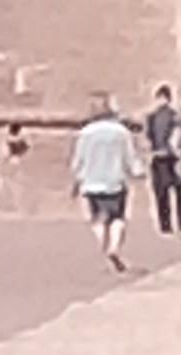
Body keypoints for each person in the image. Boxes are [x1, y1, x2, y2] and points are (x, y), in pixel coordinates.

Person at [72, 94, 136, 264]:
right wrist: (136, 171)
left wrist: (76, 181)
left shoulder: (85, 133)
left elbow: (78, 160)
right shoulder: (122, 132)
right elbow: (130, 157)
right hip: (115, 181)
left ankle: (102, 242)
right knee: (117, 218)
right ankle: (114, 247)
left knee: (97, 219)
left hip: (91, 182)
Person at [143, 83, 181, 235]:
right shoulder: (175, 116)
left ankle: (165, 225)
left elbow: (148, 138)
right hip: (171, 157)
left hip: (157, 157)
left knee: (161, 193)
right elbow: (177, 135)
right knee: (179, 192)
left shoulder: (151, 117)